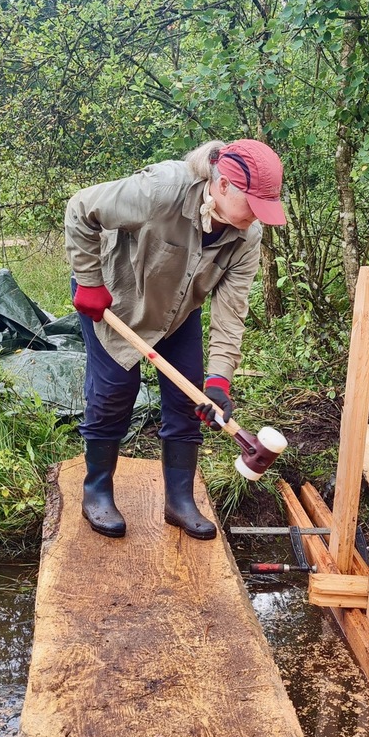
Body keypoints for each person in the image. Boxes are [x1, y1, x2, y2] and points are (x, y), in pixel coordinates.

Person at [66, 138, 286, 540]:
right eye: (252, 206)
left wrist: (219, 380)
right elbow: (81, 208)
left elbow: (231, 312)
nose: (256, 219)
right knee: (113, 392)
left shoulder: (246, 237)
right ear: (222, 186)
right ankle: (96, 491)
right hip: (116, 302)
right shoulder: (160, 191)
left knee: (190, 402)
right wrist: (89, 281)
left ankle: (179, 502)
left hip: (179, 312)